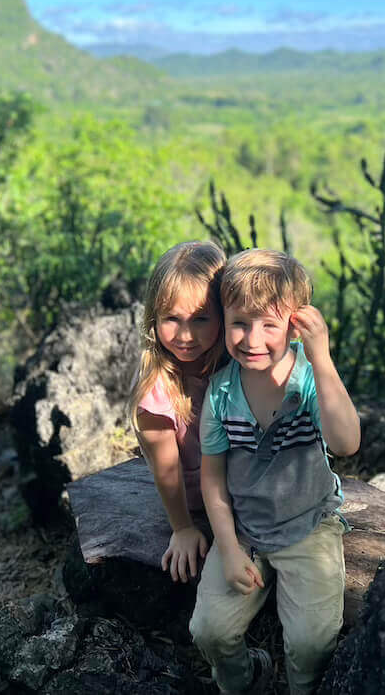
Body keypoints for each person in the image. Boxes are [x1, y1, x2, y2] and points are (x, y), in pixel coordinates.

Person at [190, 248, 361, 695]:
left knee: (310, 643)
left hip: (309, 526)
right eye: (239, 323)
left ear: (295, 323)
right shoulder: (222, 392)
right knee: (209, 630)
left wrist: (322, 358)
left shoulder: (308, 381)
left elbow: (346, 443)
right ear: (223, 320)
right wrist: (227, 548)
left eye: (270, 324)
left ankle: (302, 688)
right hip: (245, 529)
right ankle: (244, 680)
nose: (252, 339)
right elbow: (213, 477)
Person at [128, 240, 227, 583]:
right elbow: (167, 470)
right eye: (172, 319)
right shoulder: (158, 390)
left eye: (201, 319)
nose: (186, 335)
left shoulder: (235, 363)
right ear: (154, 317)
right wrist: (183, 527)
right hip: (198, 501)